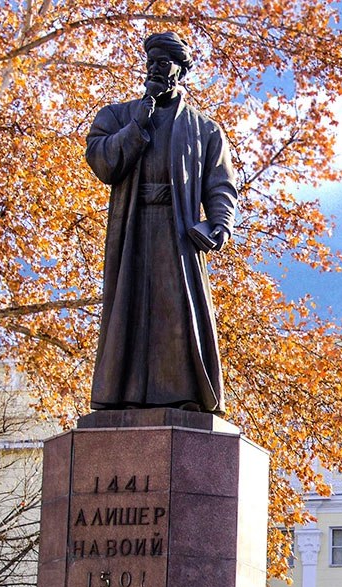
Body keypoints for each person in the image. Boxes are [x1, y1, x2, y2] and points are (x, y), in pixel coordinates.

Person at [86, 32, 237, 414]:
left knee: (177, 317)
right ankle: (122, 396)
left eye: (164, 61)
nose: (155, 67)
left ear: (181, 71)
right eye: (151, 60)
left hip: (177, 235)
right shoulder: (117, 115)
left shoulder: (205, 130)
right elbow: (103, 162)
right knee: (128, 312)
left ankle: (183, 396)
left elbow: (220, 185)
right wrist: (138, 123)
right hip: (133, 231)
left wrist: (219, 224)